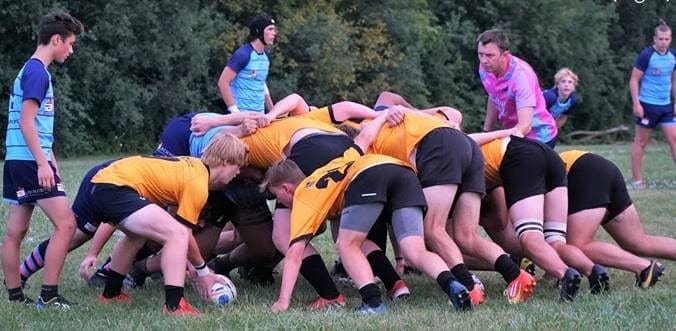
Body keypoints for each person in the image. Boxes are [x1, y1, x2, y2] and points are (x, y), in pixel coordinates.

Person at [264, 111, 473, 314]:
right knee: (414, 250)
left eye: (277, 197)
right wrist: (383, 115)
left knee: (346, 244)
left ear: (286, 188)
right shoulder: (334, 165)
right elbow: (364, 138)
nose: (280, 203)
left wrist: (283, 301)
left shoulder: (304, 195)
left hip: (370, 176)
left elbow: (294, 254)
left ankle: (373, 303)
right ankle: (452, 284)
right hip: (403, 173)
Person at [93, 133, 247, 316]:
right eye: (237, 166)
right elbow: (185, 233)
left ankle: (111, 294)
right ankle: (174, 306)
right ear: (225, 162)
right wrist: (203, 272)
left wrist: (194, 268)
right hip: (115, 187)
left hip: (103, 184)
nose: (238, 172)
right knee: (178, 235)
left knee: (137, 235)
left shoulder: (194, 167)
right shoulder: (198, 183)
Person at [2, 10, 83, 309]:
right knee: (67, 225)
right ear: (56, 39)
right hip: (28, 162)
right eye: (70, 43)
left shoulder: (29, 70)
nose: (71, 50)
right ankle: (48, 296)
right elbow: (27, 122)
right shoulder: (37, 72)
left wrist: (51, 161)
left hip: (16, 160)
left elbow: (37, 127)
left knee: (16, 231)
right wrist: (41, 163)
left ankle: (14, 296)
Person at [476, 134, 608, 301]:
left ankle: (565, 274)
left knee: (530, 237)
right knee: (555, 241)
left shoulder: (452, 156)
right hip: (547, 155)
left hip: (520, 157)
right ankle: (593, 271)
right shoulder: (461, 142)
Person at [559, 150, 673, 288]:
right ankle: (645, 267)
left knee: (576, 246)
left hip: (583, 171)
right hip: (597, 166)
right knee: (638, 243)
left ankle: (645, 267)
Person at [18, 161, 117, 285]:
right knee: (73, 236)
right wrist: (92, 254)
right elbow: (113, 220)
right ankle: (21, 275)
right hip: (102, 181)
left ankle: (117, 271)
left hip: (109, 179)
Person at [477, 29, 558, 147]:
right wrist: (486, 131)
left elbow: (524, 127)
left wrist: (486, 138)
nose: (484, 60)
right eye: (480, 54)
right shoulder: (485, 68)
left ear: (504, 55)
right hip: (515, 134)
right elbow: (493, 95)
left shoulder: (521, 77)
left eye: (490, 55)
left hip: (539, 137)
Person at [629, 20, 676, 189]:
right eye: (661, 39)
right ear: (654, 39)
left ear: (670, 39)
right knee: (640, 142)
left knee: (674, 140)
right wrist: (637, 104)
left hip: (666, 106)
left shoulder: (673, 57)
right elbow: (634, 80)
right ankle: (637, 181)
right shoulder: (646, 55)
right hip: (647, 105)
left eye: (667, 39)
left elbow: (674, 80)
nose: (664, 42)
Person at [217, 13, 277, 114]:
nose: (274, 33)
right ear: (259, 32)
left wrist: (272, 111)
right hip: (240, 119)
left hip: (259, 118)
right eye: (270, 29)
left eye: (274, 29)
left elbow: (261, 83)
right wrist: (235, 113)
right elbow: (223, 83)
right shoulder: (243, 54)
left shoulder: (265, 57)